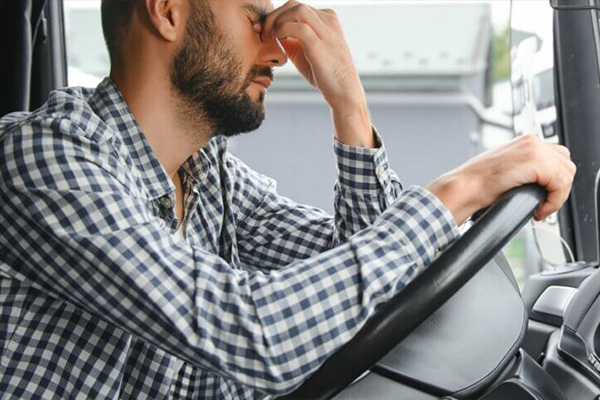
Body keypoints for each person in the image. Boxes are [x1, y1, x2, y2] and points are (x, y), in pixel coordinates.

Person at [0, 0, 575, 398]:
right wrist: (462, 188)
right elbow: (253, 333)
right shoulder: (42, 158)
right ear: (168, 11)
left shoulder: (209, 176)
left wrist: (349, 107)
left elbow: (383, 281)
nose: (278, 51)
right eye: (255, 18)